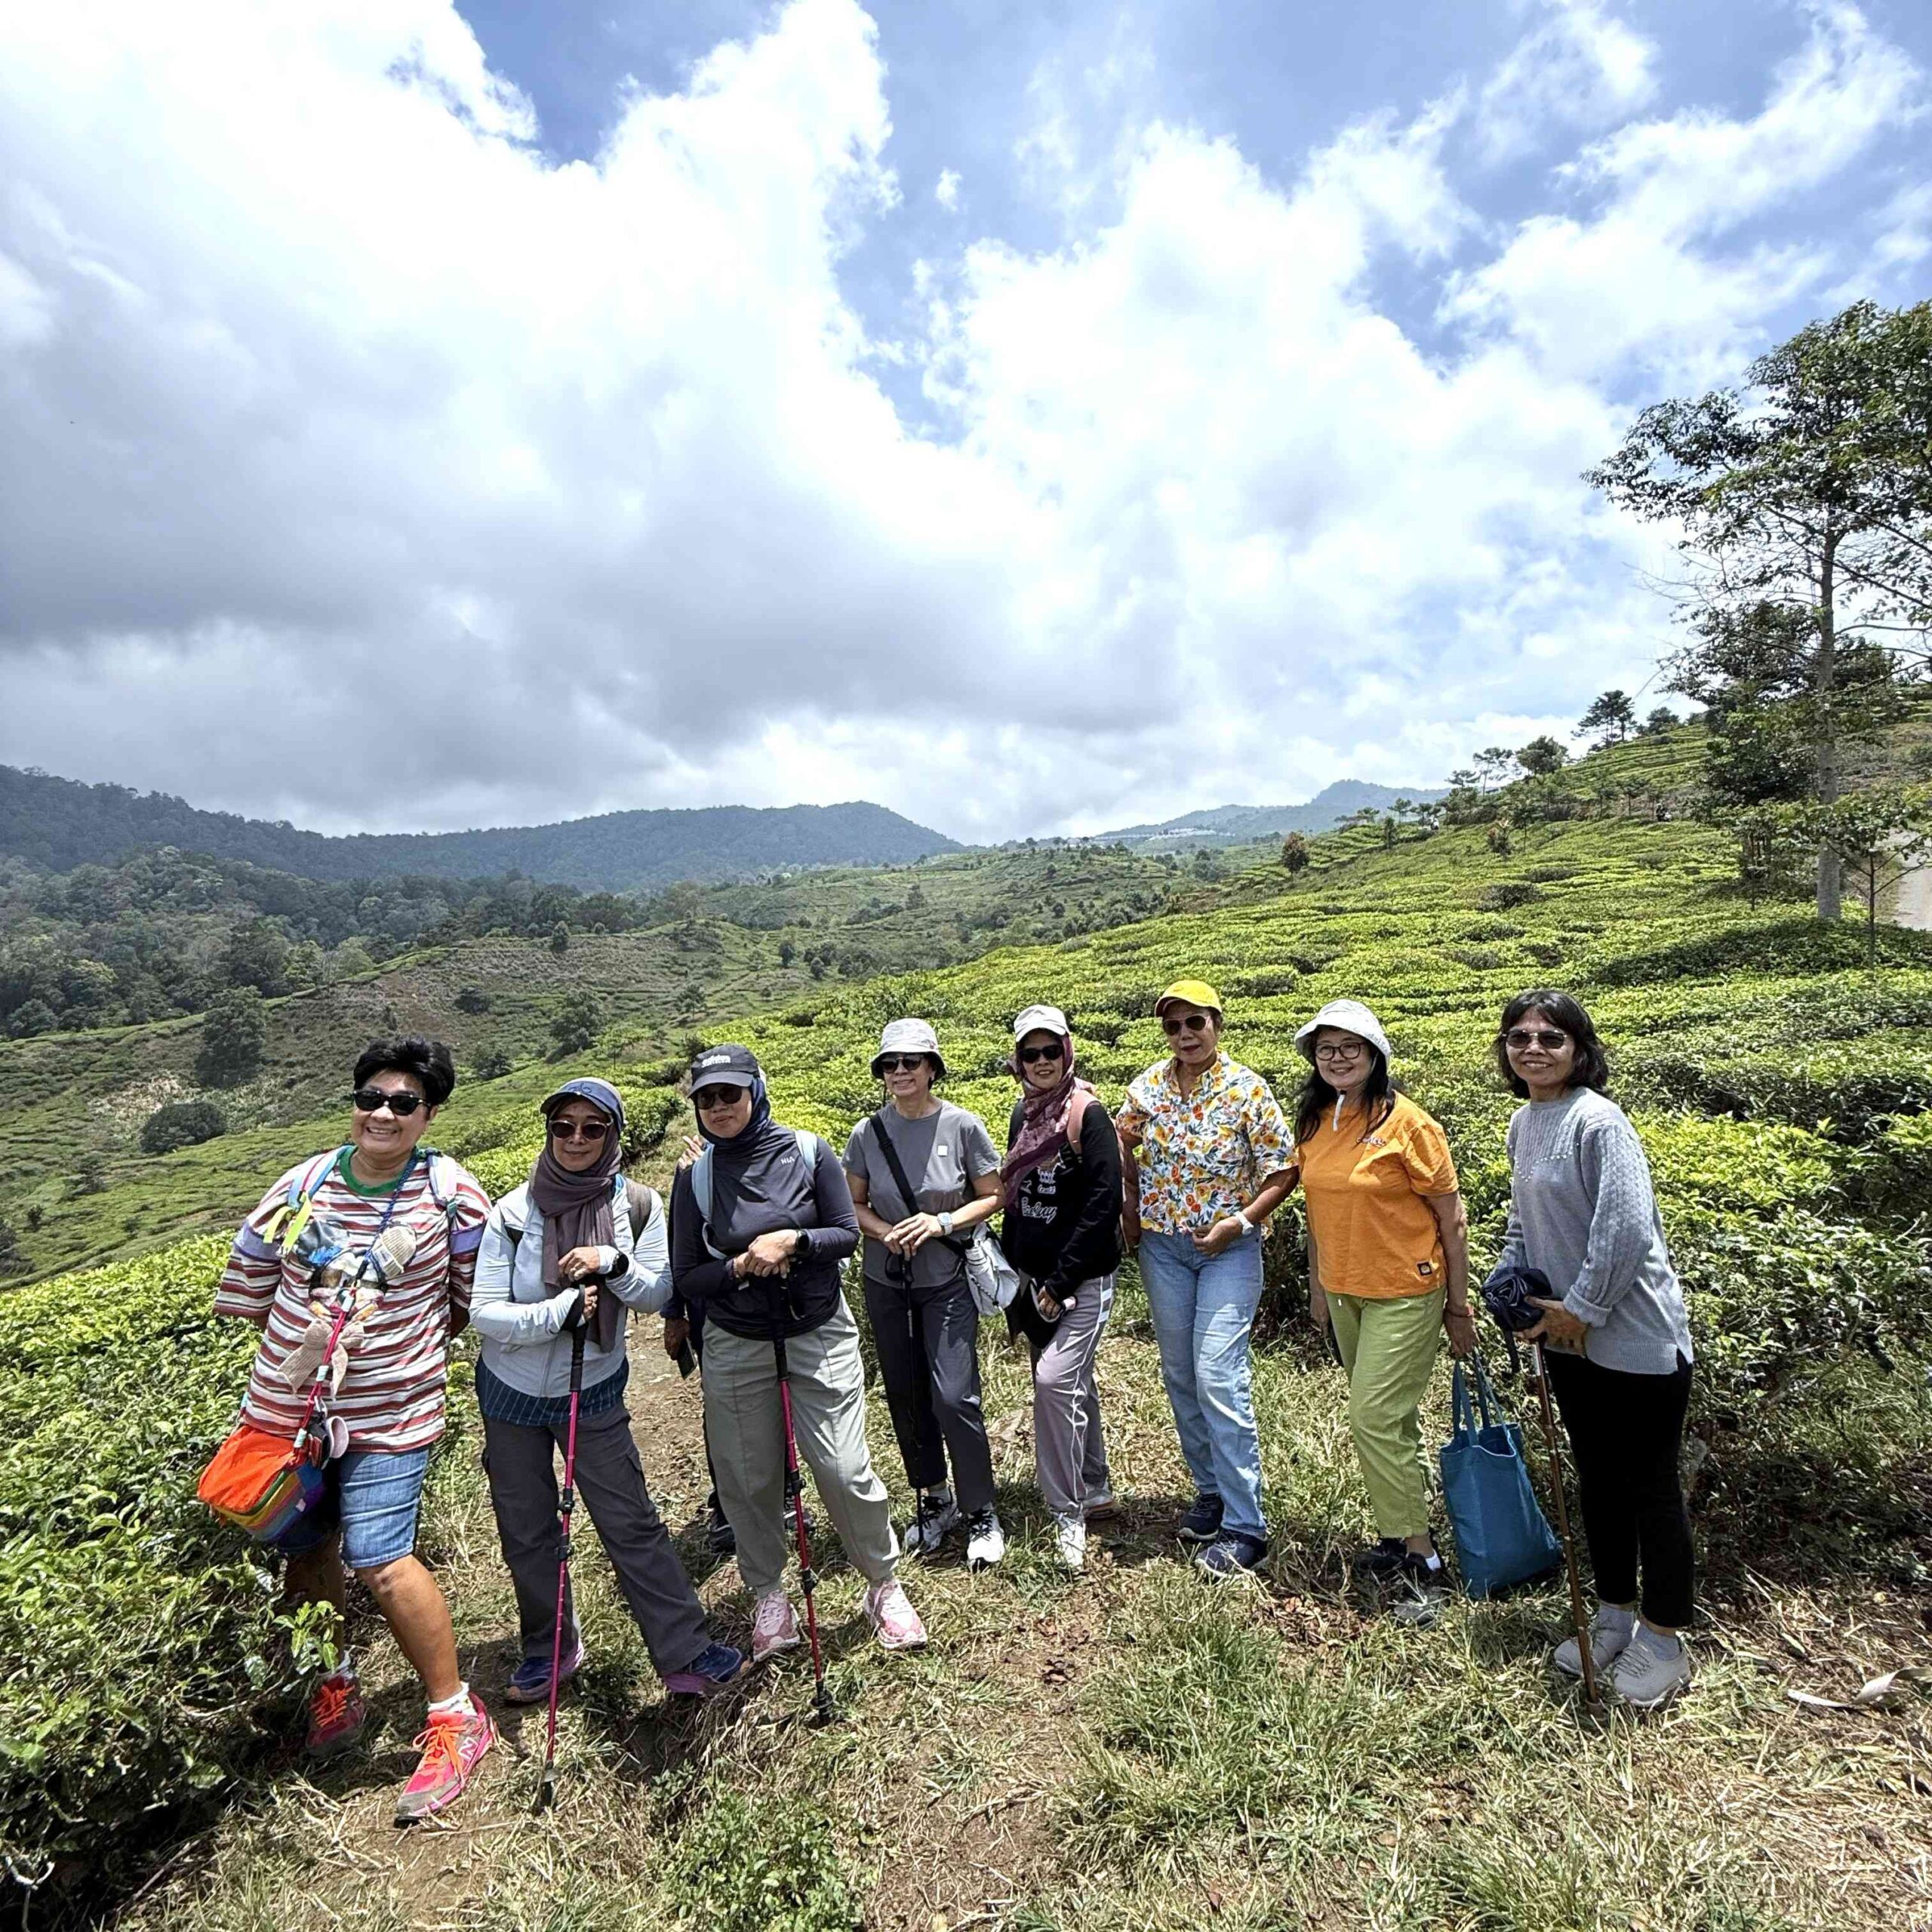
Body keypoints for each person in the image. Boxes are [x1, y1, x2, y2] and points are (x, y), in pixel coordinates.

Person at [214, 1037, 495, 1823]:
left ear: (429, 1114)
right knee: (302, 1551)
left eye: (403, 1103)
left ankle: (454, 1716)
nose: (383, 1113)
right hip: (289, 1412)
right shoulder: (300, 1183)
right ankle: (334, 1681)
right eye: (371, 1097)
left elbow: (470, 1295)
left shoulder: (452, 1195)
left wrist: (390, 1349)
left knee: (379, 1555)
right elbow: (248, 1287)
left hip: (393, 1411)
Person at [469, 1078, 742, 1707]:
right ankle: (550, 1646)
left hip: (590, 1388)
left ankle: (683, 1650)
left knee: (631, 1522)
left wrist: (612, 1264)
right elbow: (485, 1311)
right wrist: (557, 1312)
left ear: (613, 1135)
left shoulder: (640, 1206)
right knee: (527, 1529)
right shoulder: (512, 1212)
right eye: (564, 1126)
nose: (575, 1139)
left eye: (592, 1129)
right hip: (510, 1392)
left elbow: (657, 1292)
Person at [669, 1044, 927, 1657]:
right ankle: (769, 1595)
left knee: (842, 1468)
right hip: (736, 1341)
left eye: (730, 1093)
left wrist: (793, 1241)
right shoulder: (695, 1177)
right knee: (747, 1478)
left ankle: (882, 1584)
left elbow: (843, 1234)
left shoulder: (808, 1151)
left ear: (756, 1091)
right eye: (707, 1098)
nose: (719, 1106)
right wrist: (737, 1267)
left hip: (816, 1329)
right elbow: (686, 1273)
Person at [1497, 989, 1697, 1709]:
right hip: (1566, 1334)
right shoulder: (1525, 1122)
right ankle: (1614, 1614)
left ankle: (1666, 1637)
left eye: (1551, 1037)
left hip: (1634, 1334)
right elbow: (1524, 1222)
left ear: (1579, 1049)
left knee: (1650, 1489)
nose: (1534, 1048)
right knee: (1597, 1479)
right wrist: (1508, 1280)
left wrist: (1580, 1311)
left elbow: (1624, 1231)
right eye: (1519, 1036)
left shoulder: (1599, 1121)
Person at [1292, 1000, 1473, 1611]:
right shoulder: (1317, 1119)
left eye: (1351, 1047)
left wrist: (1459, 1307)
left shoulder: (1410, 1124)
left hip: (1406, 1288)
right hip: (1346, 1288)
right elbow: (1317, 1211)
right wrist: (1319, 1286)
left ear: (1375, 1055)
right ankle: (1398, 1534)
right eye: (1327, 1049)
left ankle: (1423, 1555)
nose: (1338, 1058)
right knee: (1391, 1420)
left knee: (1370, 1416)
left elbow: (1451, 1218)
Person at [1116, 980, 1294, 1580]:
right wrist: (1131, 1206)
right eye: (1174, 1027)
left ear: (1217, 1023)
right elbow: (1125, 1143)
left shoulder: (1247, 1089)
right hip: (1164, 1250)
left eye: (1196, 1023)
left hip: (1228, 1250)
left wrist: (1239, 1222)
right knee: (1181, 1373)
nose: (1186, 1036)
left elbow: (1282, 1169)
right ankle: (1210, 1490)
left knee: (1219, 1372)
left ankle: (1247, 1524)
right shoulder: (1146, 1087)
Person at [844, 1019, 1007, 1568]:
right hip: (886, 1280)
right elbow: (855, 1204)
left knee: (953, 1394)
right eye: (890, 1064)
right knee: (906, 1394)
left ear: (932, 1068)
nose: (899, 1072)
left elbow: (992, 1195)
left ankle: (981, 1507)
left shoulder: (963, 1126)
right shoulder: (867, 1133)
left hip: (946, 1281)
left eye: (911, 1062)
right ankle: (935, 1497)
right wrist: (884, 1231)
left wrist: (940, 1223)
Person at [998, 1004, 1122, 1573]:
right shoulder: (1023, 1117)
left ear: (1068, 1052)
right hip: (1033, 1279)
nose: (1043, 1062)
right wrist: (1015, 1283)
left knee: (1053, 1384)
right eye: (1032, 1053)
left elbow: (1103, 1204)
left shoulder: (1087, 1115)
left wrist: (1061, 1280)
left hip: (1082, 1280)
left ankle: (1066, 1511)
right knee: (1072, 1385)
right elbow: (1017, 1202)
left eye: (1052, 1051)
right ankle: (1094, 1484)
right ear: (1018, 1061)